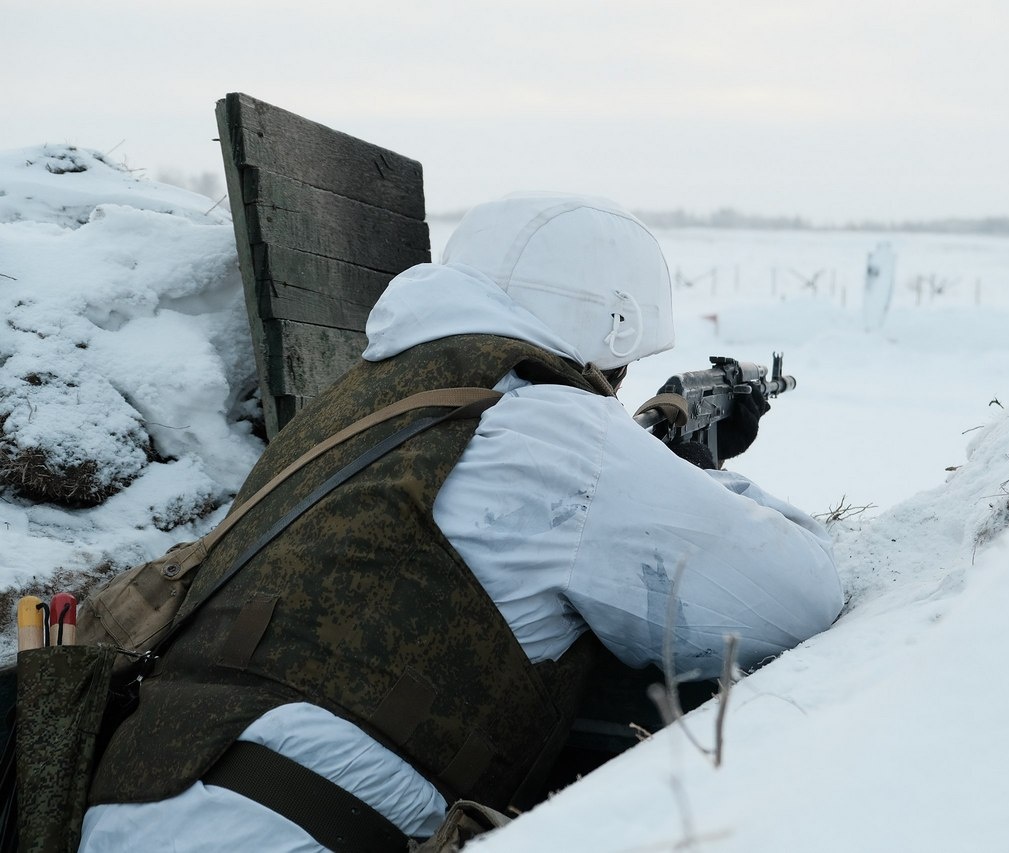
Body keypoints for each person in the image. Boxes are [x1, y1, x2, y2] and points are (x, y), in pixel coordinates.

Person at [78, 193, 842, 850]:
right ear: (611, 328)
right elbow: (798, 594)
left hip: (133, 794)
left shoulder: (362, 402)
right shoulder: (558, 436)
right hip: (286, 830)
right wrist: (697, 474)